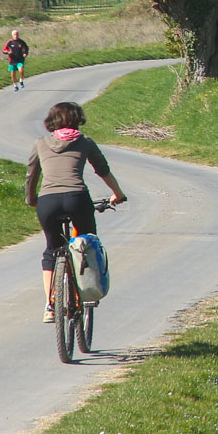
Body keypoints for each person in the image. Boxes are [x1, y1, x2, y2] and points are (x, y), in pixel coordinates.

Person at [24, 101, 126, 322]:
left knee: (51, 250)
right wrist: (117, 193)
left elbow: (32, 175)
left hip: (48, 202)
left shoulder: (40, 143)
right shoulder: (84, 142)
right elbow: (102, 170)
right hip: (77, 199)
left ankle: (50, 306)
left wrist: (32, 199)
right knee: (87, 242)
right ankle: (87, 292)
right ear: (77, 119)